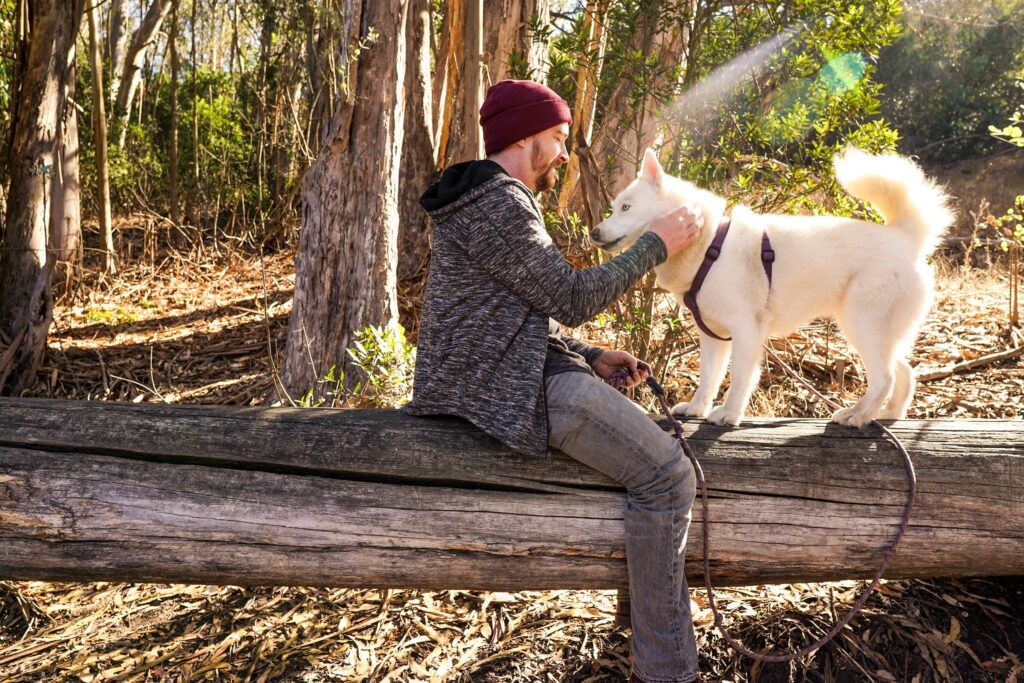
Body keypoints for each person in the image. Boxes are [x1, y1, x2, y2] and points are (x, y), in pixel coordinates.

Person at [402, 79, 703, 683]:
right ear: (525, 135)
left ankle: (648, 621)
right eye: (559, 139)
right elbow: (569, 296)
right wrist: (655, 244)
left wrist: (588, 354)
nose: (564, 155)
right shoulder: (498, 202)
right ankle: (668, 671)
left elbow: (515, 310)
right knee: (670, 478)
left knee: (656, 472)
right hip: (510, 391)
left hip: (514, 373)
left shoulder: (488, 198)